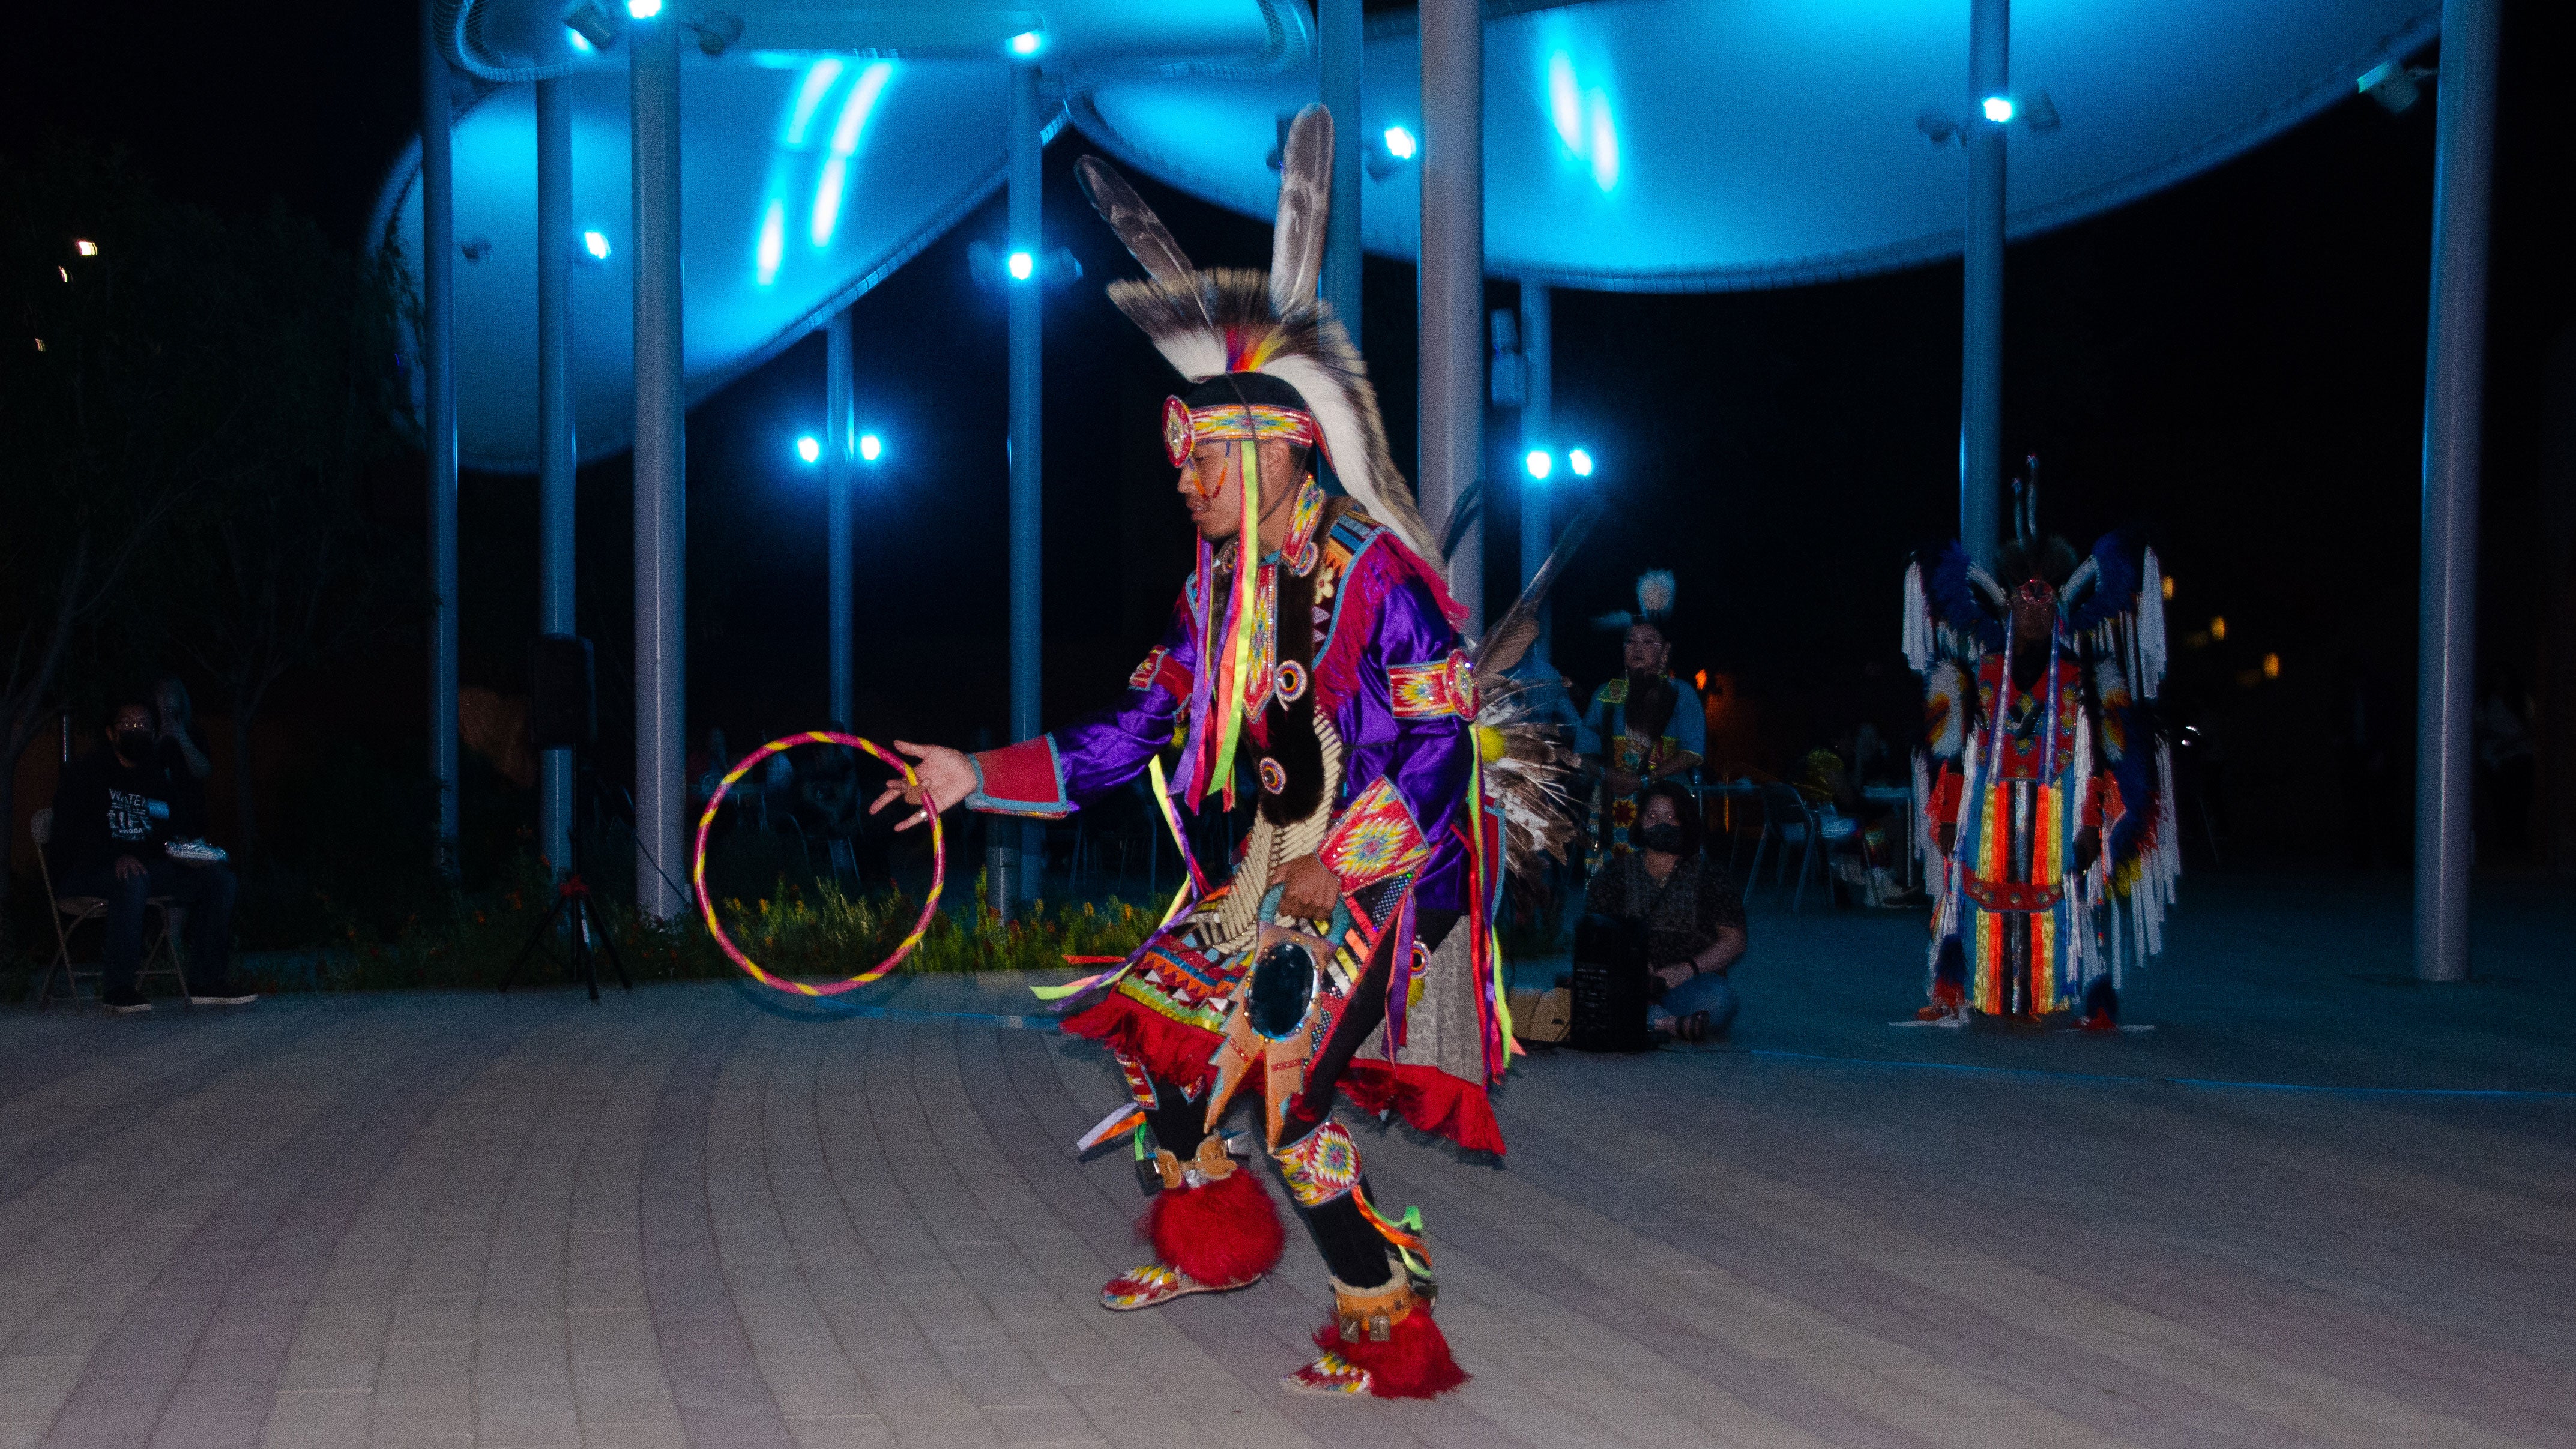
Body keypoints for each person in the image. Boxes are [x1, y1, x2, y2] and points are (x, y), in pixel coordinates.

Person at [868, 110, 1572, 1400]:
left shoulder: (1382, 582)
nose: (1184, 484)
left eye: (1200, 462)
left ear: (1266, 450)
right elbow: (1135, 731)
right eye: (1182, 461)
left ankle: (1381, 1311)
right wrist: (980, 773)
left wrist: (1342, 865)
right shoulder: (1220, 597)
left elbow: (1434, 746)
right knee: (1165, 1049)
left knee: (1286, 1088)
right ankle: (1214, 1242)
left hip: (1376, 875)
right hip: (1257, 866)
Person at [1902, 497, 2177, 1029]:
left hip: (2058, 813)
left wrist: (2092, 827)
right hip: (1988, 812)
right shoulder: (1978, 673)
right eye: (2023, 602)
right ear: (2005, 604)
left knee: (2063, 898)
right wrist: (1951, 816)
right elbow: (1954, 756)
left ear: (2057, 606)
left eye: (2043, 601)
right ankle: (1965, 987)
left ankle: (2071, 990)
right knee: (1976, 895)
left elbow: (2102, 761)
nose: (2034, 611)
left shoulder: (2085, 679)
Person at [49, 694, 254, 1012]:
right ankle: (118, 988)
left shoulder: (155, 777)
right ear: (110, 733)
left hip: (146, 870)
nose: (136, 729)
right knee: (132, 877)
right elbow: (71, 832)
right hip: (87, 872)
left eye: (144, 725)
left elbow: (176, 824)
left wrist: (186, 850)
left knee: (218, 879)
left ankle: (206, 981)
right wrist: (115, 855)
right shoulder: (86, 773)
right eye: (128, 724)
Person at [1581, 782, 1746, 1042]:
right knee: (1592, 994)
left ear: (1686, 823)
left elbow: (1734, 941)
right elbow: (1595, 932)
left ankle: (1647, 1020)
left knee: (1719, 1000)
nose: (1662, 825)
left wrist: (1687, 969)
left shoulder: (1711, 876)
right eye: (1653, 817)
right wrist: (1632, 963)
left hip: (1688, 983)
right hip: (1627, 982)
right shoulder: (1615, 874)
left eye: (1672, 818)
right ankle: (1667, 1022)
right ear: (1640, 822)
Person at [1581, 573, 1706, 872]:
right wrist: (1608, 773)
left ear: (1665, 653)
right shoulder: (1606, 695)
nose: (1637, 648)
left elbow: (1693, 752)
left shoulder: (1681, 694)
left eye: (1649, 642)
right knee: (1611, 889)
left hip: (1666, 807)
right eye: (1630, 642)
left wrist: (1645, 781)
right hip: (1612, 807)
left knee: (1666, 883)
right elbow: (1582, 755)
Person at [152, 676, 214, 782]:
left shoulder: (194, 732)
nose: (167, 696)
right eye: (162, 692)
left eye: (172, 692)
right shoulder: (148, 729)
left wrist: (182, 737)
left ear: (180, 698)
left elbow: (205, 772)